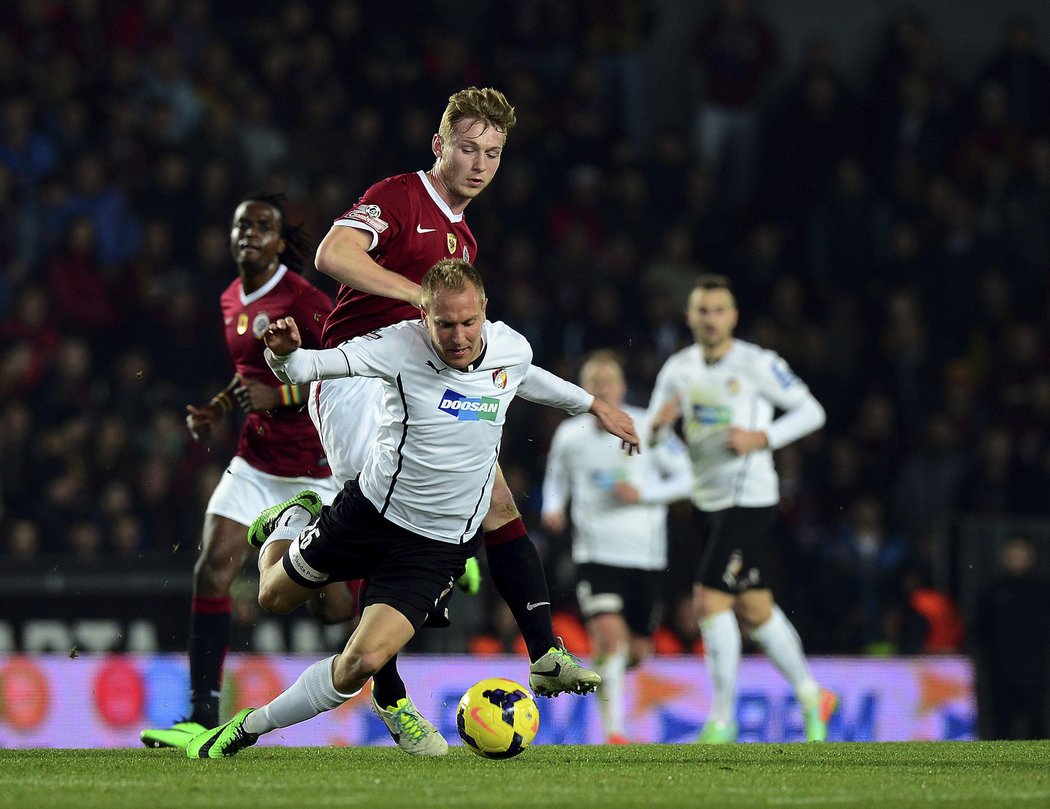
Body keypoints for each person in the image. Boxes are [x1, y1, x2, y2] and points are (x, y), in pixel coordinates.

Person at [185, 259, 639, 758]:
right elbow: (313, 366)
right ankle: (292, 519)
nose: (459, 336)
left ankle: (249, 727)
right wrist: (285, 357)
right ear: (424, 315)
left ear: (484, 310)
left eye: (469, 322)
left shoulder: (510, 346)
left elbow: (527, 376)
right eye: (445, 324)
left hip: (433, 550)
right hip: (368, 516)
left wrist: (594, 405)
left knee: (359, 661)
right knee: (272, 596)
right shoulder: (397, 346)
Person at [254, 87, 600, 720]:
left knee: (493, 496)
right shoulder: (400, 196)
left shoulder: (463, 242)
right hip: (357, 379)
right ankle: (391, 693)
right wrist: (422, 297)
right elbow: (334, 254)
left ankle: (545, 651)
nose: (479, 164)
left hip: (420, 383)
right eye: (468, 148)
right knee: (357, 557)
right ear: (440, 146)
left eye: (493, 154)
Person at [140, 193, 340, 749]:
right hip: (255, 462)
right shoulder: (231, 298)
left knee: (334, 609)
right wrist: (219, 410)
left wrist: (278, 395)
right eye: (240, 225)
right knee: (210, 571)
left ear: (280, 241)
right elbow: (246, 377)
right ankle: (201, 715)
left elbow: (346, 375)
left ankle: (422, 568)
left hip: (314, 471)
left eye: (261, 226)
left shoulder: (305, 299)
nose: (248, 232)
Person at [648, 274, 836, 743]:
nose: (710, 319)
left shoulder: (757, 363)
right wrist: (659, 429)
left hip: (750, 499)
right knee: (755, 609)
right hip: (707, 501)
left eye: (719, 310)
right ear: (689, 316)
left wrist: (761, 437)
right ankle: (814, 696)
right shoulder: (678, 368)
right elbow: (652, 434)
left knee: (709, 598)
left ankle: (723, 718)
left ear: (733, 317)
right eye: (702, 310)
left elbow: (812, 411)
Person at [540, 350, 693, 744]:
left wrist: (644, 493)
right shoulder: (570, 435)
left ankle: (610, 690)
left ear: (623, 387)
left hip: (644, 556)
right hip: (595, 555)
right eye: (594, 380)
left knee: (637, 651)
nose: (602, 387)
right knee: (610, 640)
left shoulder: (648, 427)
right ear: (583, 388)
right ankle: (614, 731)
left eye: (609, 380)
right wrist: (553, 508)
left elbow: (689, 478)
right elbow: (556, 479)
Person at [971, 534, 1050, 740]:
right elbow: (981, 629)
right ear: (1004, 557)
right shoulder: (993, 590)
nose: (1017, 559)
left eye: (1021, 554)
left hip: (1036, 670)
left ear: (1031, 557)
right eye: (1013, 554)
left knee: (1037, 724)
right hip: (1000, 670)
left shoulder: (1042, 591)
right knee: (1001, 725)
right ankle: (1000, 766)